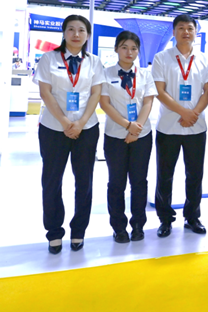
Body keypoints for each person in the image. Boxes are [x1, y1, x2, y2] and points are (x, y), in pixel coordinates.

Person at [33, 15, 105, 254]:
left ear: (87, 35)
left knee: (84, 181)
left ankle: (78, 230)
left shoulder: (94, 62)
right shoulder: (49, 59)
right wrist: (65, 122)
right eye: (71, 29)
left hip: (87, 128)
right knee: (51, 181)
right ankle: (54, 232)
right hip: (54, 128)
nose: (76, 34)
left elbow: (95, 94)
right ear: (64, 33)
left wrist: (81, 123)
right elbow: (45, 93)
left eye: (81, 30)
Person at [152, 14, 208, 238]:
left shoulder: (205, 59)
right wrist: (183, 112)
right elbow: (159, 91)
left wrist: (193, 114)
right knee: (164, 175)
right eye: (181, 28)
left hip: (196, 127)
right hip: (168, 127)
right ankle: (165, 219)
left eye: (190, 28)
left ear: (196, 32)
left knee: (195, 174)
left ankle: (192, 216)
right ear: (174, 32)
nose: (186, 32)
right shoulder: (162, 58)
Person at [100, 31, 157, 243]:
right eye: (124, 47)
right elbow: (104, 103)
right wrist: (127, 126)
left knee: (139, 182)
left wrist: (136, 129)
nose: (129, 52)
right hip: (115, 135)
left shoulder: (145, 75)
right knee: (116, 183)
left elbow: (148, 102)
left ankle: (138, 225)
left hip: (142, 136)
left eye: (133, 48)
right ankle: (118, 227)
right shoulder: (106, 74)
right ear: (116, 49)